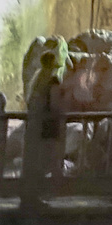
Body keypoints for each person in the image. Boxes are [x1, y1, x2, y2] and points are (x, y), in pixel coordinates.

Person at [28, 49, 66, 178]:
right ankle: (54, 182)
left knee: (40, 154)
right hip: (50, 121)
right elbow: (55, 103)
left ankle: (38, 181)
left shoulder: (37, 78)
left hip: (38, 120)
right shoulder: (53, 79)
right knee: (53, 152)